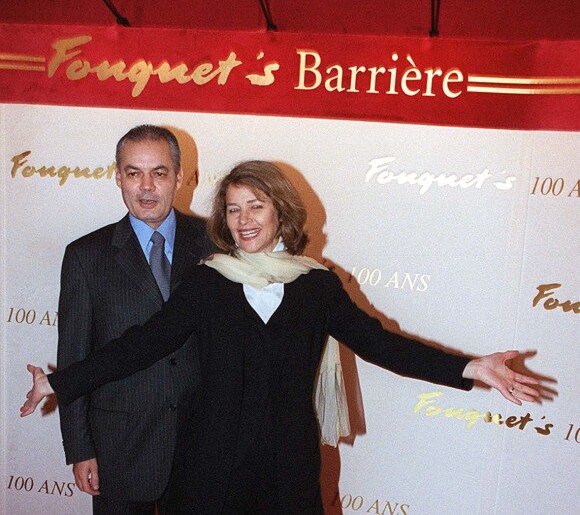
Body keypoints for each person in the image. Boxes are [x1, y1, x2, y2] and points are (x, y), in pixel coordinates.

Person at [22, 160, 540, 515]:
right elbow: (142, 343)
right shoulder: (209, 281)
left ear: (280, 212)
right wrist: (60, 382)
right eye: (233, 209)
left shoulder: (316, 285)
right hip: (207, 473)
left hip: (285, 472)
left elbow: (380, 343)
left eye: (256, 206)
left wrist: (468, 368)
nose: (244, 220)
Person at [53, 125, 213, 514]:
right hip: (118, 449)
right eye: (133, 173)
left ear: (179, 176)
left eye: (158, 173)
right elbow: (75, 357)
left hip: (201, 445)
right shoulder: (85, 256)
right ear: (117, 176)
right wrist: (80, 448)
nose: (146, 187)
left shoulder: (215, 243)